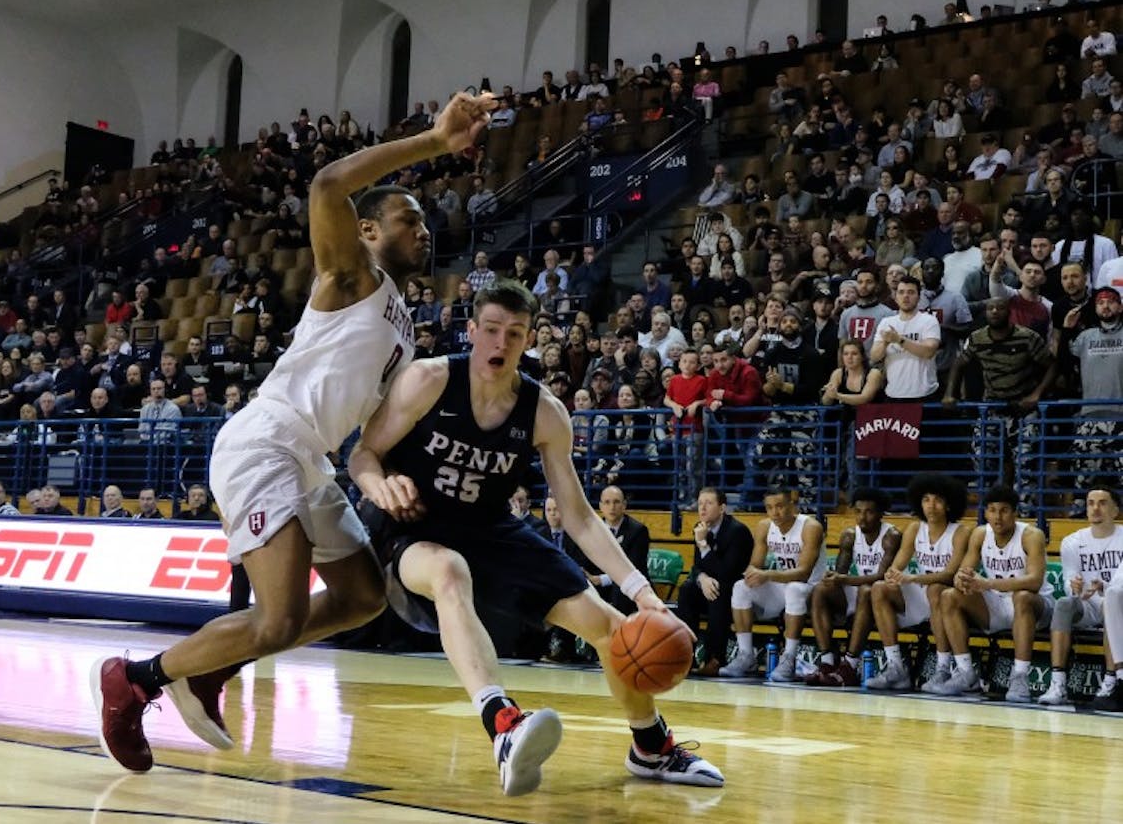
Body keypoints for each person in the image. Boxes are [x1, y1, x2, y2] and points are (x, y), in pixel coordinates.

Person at [90, 92, 495, 773]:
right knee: (275, 620)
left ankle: (213, 667)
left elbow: (375, 427)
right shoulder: (350, 277)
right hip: (266, 444)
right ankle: (135, 679)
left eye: (425, 223)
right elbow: (328, 183)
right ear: (367, 231)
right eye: (409, 219)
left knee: (362, 598)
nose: (424, 231)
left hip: (311, 459)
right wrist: (435, 140)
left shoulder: (400, 317)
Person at [350, 280, 722, 792]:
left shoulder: (544, 411)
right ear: (473, 331)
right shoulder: (429, 381)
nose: (501, 344)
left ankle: (651, 748)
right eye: (493, 331)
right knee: (448, 571)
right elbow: (361, 454)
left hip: (490, 527)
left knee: (615, 631)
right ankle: (502, 725)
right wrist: (379, 484)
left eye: (515, 333)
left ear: (528, 340)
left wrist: (641, 593)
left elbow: (579, 516)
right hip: (412, 525)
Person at [934, 486, 1052, 700]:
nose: (997, 517)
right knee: (948, 595)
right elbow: (963, 572)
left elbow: (1034, 582)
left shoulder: (1032, 535)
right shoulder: (980, 534)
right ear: (986, 512)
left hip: (1036, 607)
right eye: (992, 510)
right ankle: (965, 673)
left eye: (1004, 510)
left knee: (1022, 596)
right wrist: (963, 580)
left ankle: (1020, 677)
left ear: (1015, 512)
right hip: (997, 604)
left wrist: (987, 584)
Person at [865, 474, 974, 690]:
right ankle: (896, 667)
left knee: (935, 589)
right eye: (926, 499)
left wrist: (914, 578)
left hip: (949, 600)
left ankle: (942, 668)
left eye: (937, 500)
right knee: (879, 588)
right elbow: (897, 566)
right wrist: (891, 576)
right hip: (923, 598)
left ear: (949, 503)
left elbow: (950, 575)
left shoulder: (961, 532)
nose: (931, 506)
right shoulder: (915, 529)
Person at [719, 488, 827, 681]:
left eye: (780, 506)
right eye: (769, 508)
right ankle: (746, 656)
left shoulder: (811, 527)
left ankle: (789, 658)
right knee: (740, 587)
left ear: (792, 505)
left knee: (794, 589)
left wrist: (768, 575)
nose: (774, 513)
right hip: (781, 585)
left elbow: (803, 573)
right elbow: (755, 565)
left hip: (812, 589)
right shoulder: (764, 526)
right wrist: (752, 575)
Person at [804, 489, 901, 686]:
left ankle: (850, 664)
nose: (862, 518)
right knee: (821, 590)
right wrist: (831, 578)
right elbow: (841, 572)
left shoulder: (892, 535)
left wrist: (842, 579)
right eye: (858, 512)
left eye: (869, 512)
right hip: (859, 591)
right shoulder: (849, 535)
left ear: (881, 513)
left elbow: (880, 577)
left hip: (887, 596)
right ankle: (827, 662)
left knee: (868, 590)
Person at [1037, 488, 1122, 705]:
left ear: (1115, 510)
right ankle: (1057, 683)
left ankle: (1112, 680)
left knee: (1110, 603)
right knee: (1064, 604)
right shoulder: (1071, 542)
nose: (1095, 508)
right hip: (1088, 604)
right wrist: (1074, 587)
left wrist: (1104, 588)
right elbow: (1069, 582)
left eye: (1102, 503)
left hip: (1117, 605)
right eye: (1090, 503)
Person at [676, 487, 754, 677]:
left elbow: (727, 572)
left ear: (722, 508)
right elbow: (696, 567)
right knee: (686, 590)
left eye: (709, 503)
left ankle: (715, 658)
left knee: (719, 591)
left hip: (735, 593)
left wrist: (703, 545)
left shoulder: (738, 532)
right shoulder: (700, 527)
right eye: (700, 503)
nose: (702, 508)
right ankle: (686, 656)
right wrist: (702, 578)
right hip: (709, 587)